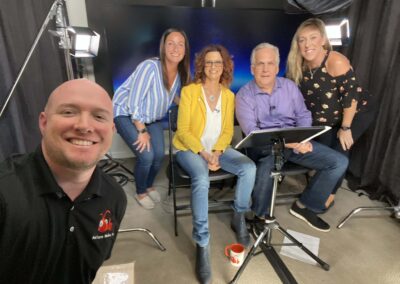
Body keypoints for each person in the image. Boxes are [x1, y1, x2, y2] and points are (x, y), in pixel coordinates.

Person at [0, 79, 127, 284]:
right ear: (44, 122)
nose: (84, 126)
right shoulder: (5, 193)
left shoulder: (114, 198)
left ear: (111, 130)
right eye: (69, 112)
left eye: (98, 116)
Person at [236, 43, 348, 233]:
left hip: (296, 143)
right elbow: (252, 132)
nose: (265, 69)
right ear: (252, 69)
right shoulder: (244, 95)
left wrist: (303, 139)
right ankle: (260, 216)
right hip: (264, 146)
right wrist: (292, 142)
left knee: (338, 162)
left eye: (270, 63)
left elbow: (303, 115)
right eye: (260, 64)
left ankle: (306, 205)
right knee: (266, 168)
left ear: (277, 68)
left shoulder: (289, 87)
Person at [173, 44, 256, 284]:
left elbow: (228, 130)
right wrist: (204, 154)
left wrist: (218, 152)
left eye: (217, 62)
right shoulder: (190, 92)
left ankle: (238, 216)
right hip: (189, 149)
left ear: (224, 66)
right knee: (200, 178)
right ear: (202, 66)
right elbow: (184, 131)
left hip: (218, 150)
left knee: (248, 167)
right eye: (208, 62)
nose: (213, 67)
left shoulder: (229, 95)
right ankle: (202, 243)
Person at [286, 18, 375, 205]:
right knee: (327, 153)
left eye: (313, 38)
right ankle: (321, 188)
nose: (307, 44)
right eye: (302, 40)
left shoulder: (336, 61)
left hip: (356, 111)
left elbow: (350, 98)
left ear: (323, 40)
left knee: (340, 148)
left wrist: (346, 127)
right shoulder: (297, 65)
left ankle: (322, 198)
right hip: (327, 116)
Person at [113, 28, 191, 209]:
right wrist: (141, 130)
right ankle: (141, 192)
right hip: (127, 113)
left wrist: (189, 106)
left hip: (152, 117)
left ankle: (149, 185)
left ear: (185, 49)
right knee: (147, 155)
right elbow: (134, 101)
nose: (175, 48)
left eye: (180, 44)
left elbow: (171, 96)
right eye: (170, 43)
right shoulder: (150, 67)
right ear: (163, 47)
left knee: (158, 155)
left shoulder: (178, 73)